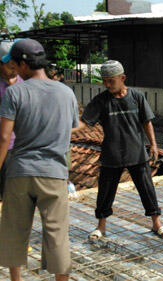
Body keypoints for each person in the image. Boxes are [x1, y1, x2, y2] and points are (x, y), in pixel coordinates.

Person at [0, 38, 79, 281]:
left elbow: (4, 137)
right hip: (54, 174)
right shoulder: (66, 92)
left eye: (14, 63)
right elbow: (71, 130)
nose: (13, 67)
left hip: (20, 172)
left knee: (14, 230)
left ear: (23, 64)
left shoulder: (15, 92)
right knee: (57, 234)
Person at [73, 60, 163, 240]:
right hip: (112, 154)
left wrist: (154, 144)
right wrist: (63, 129)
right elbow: (84, 122)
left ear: (122, 78)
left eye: (111, 80)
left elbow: (146, 121)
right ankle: (101, 227)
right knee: (105, 191)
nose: (107, 84)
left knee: (147, 189)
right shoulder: (101, 101)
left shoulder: (137, 97)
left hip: (136, 152)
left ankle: (157, 223)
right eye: (105, 81)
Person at [0, 41, 22, 199]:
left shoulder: (25, 82)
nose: (14, 69)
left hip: (20, 145)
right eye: (9, 65)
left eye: (16, 65)